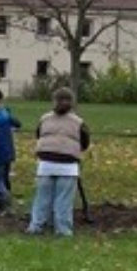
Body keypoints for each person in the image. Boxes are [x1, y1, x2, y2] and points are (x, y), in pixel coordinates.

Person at [27, 88, 90, 237]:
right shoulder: (78, 122)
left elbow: (39, 135)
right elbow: (85, 142)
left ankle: (36, 226)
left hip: (45, 164)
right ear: (72, 103)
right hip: (68, 166)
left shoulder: (44, 119)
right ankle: (63, 230)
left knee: (42, 198)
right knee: (63, 200)